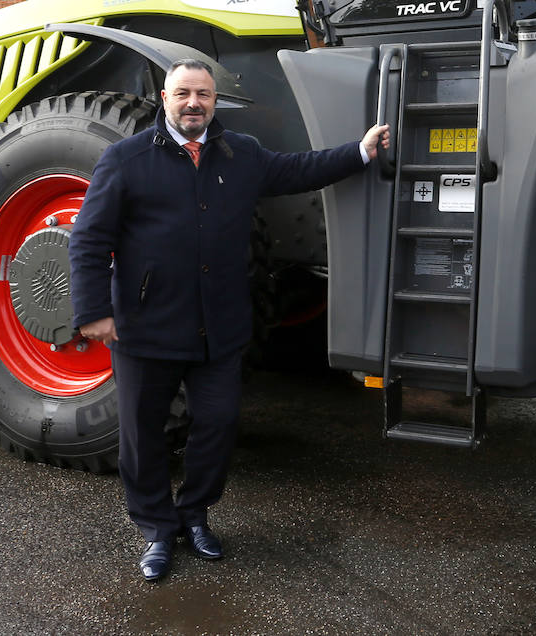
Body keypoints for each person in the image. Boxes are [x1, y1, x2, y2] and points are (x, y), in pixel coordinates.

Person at [68, 58, 389, 582]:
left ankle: (195, 515)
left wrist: (360, 151)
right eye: (183, 94)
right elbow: (88, 238)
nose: (194, 103)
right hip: (145, 327)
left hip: (219, 327)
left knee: (216, 426)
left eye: (204, 95)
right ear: (165, 98)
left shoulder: (242, 154)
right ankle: (155, 529)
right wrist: (93, 313)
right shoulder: (125, 160)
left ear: (214, 102)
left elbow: (299, 169)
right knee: (143, 434)